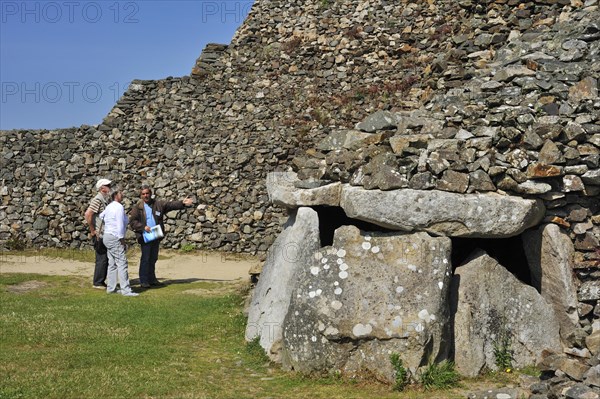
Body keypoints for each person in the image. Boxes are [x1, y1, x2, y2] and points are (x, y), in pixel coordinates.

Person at [129, 184, 193, 288]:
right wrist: (143, 227)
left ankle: (152, 279)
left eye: (147, 193)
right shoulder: (137, 208)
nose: (146, 195)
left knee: (153, 258)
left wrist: (182, 203)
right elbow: (132, 222)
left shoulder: (158, 204)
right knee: (145, 258)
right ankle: (144, 281)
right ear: (141, 195)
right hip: (145, 236)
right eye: (143, 194)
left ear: (151, 194)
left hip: (156, 234)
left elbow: (170, 205)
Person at [100, 188, 139, 297]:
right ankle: (126, 290)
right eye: (120, 193)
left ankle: (111, 288)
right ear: (116, 195)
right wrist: (122, 238)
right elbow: (120, 224)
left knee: (112, 263)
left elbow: (101, 216)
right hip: (114, 237)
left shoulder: (109, 206)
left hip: (107, 236)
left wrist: (109, 223)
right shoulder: (118, 207)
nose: (122, 194)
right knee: (122, 263)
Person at [84, 178, 112, 289]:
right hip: (99, 235)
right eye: (107, 185)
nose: (110, 187)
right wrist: (92, 230)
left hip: (103, 233)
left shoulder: (104, 199)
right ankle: (98, 282)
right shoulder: (98, 200)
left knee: (104, 258)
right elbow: (88, 214)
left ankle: (101, 281)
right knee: (102, 258)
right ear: (102, 188)